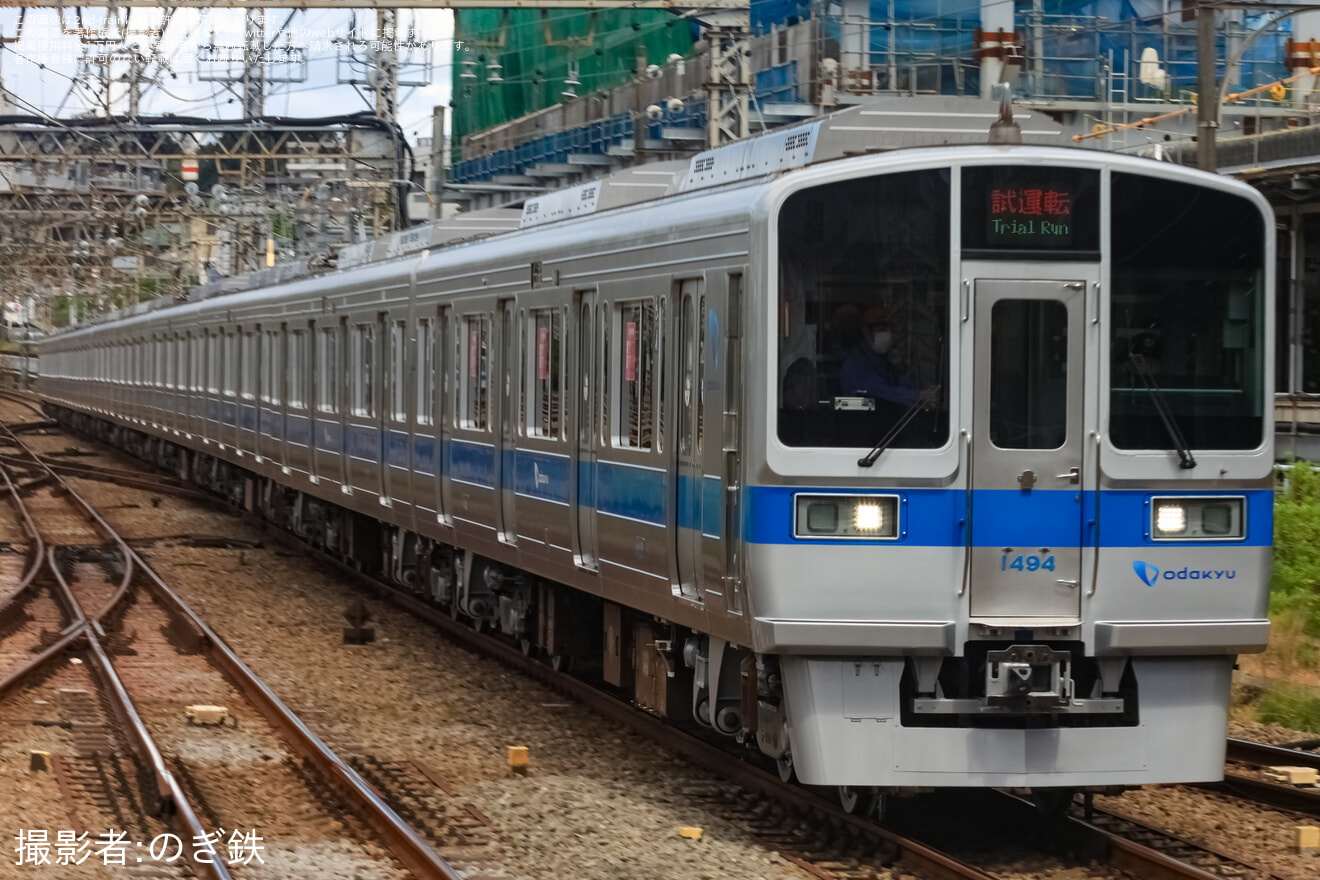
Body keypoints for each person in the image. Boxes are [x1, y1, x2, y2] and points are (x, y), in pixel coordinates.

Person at [839, 307, 938, 408]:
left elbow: (904, 387)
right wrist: (917, 396)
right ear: (866, 331)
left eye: (890, 329)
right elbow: (876, 392)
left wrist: (903, 367)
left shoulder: (885, 361)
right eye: (882, 328)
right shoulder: (856, 364)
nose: (888, 334)